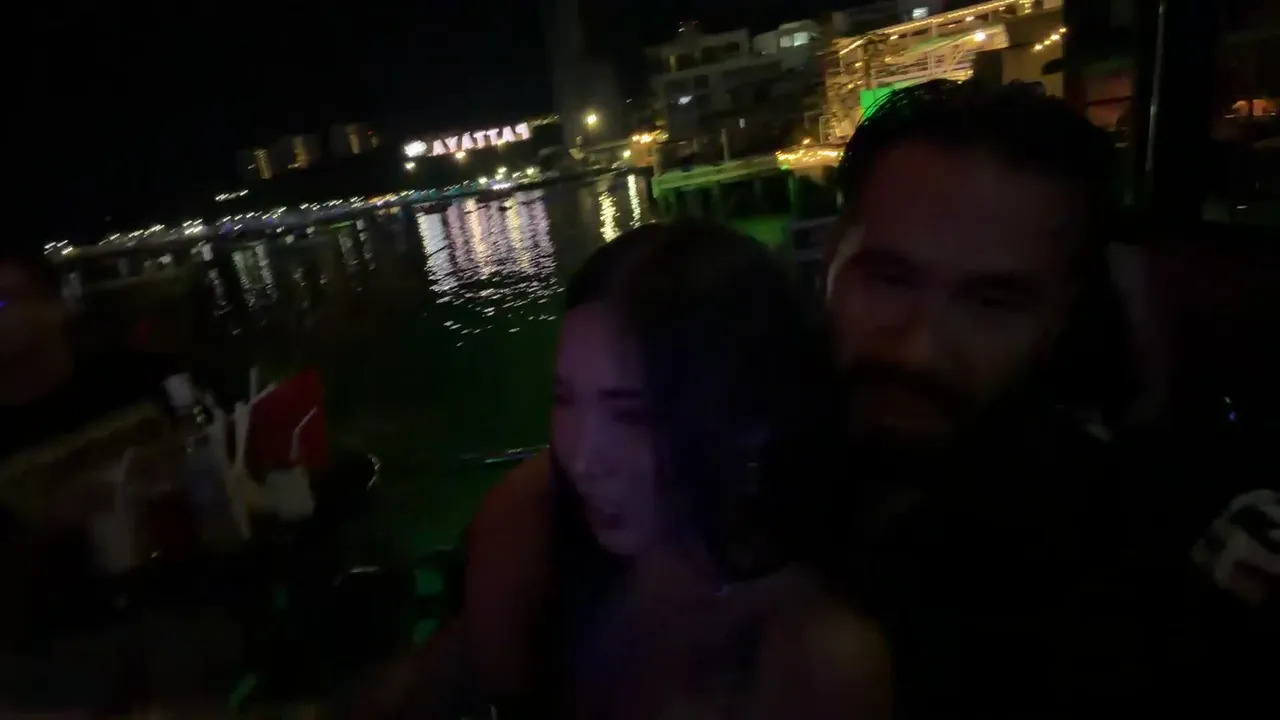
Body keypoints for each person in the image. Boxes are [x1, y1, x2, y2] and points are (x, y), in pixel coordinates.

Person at [364, 223, 890, 719]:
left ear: (753, 418)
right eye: (565, 399)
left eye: (633, 414)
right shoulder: (544, 532)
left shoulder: (815, 659)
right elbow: (445, 676)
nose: (581, 458)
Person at [822, 79, 1161, 715]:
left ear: (1062, 318)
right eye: (890, 279)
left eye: (990, 304)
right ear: (830, 258)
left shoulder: (1111, 582)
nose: (917, 350)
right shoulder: (736, 459)